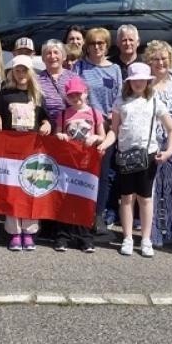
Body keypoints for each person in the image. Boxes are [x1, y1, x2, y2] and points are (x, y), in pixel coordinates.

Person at [112, 62, 172, 258]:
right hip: (125, 155)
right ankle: (128, 237)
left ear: (148, 82)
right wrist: (104, 144)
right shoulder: (120, 101)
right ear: (129, 82)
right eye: (135, 80)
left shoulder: (155, 101)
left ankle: (146, 238)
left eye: (142, 80)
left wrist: (168, 151)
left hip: (147, 154)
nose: (138, 83)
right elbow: (114, 130)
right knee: (126, 198)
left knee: (145, 198)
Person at [0, 55, 52, 250]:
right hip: (10, 150)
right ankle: (14, 232)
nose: (21, 74)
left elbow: (45, 118)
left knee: (30, 189)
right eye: (17, 70)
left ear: (31, 72)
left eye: (24, 70)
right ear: (12, 72)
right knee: (13, 191)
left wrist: (47, 124)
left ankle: (30, 231)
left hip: (32, 150)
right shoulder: (5, 93)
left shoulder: (37, 95)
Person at [54, 75, 112, 252]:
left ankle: (84, 236)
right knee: (65, 198)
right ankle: (62, 236)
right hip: (68, 163)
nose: (76, 98)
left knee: (85, 200)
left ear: (86, 93)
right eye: (71, 95)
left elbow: (102, 136)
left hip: (87, 164)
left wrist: (95, 137)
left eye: (79, 94)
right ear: (66, 96)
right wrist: (60, 135)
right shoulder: (63, 114)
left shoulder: (95, 114)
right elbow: (57, 133)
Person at [74, 27, 122, 231]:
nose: (97, 47)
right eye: (93, 43)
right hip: (84, 127)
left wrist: (113, 114)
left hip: (107, 129)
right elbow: (74, 93)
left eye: (101, 43)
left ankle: (99, 214)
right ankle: (80, 211)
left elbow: (120, 97)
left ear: (107, 45)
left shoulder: (115, 69)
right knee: (82, 172)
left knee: (104, 174)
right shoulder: (80, 66)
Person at [144, 40, 172, 246]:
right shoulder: (145, 83)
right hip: (149, 143)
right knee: (151, 189)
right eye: (155, 59)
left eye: (163, 58)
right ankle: (154, 234)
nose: (160, 62)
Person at [33, 39, 78, 123]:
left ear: (64, 56)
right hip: (45, 128)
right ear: (43, 58)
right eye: (48, 53)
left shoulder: (73, 78)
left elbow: (82, 104)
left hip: (69, 126)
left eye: (56, 52)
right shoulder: (36, 79)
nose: (52, 56)